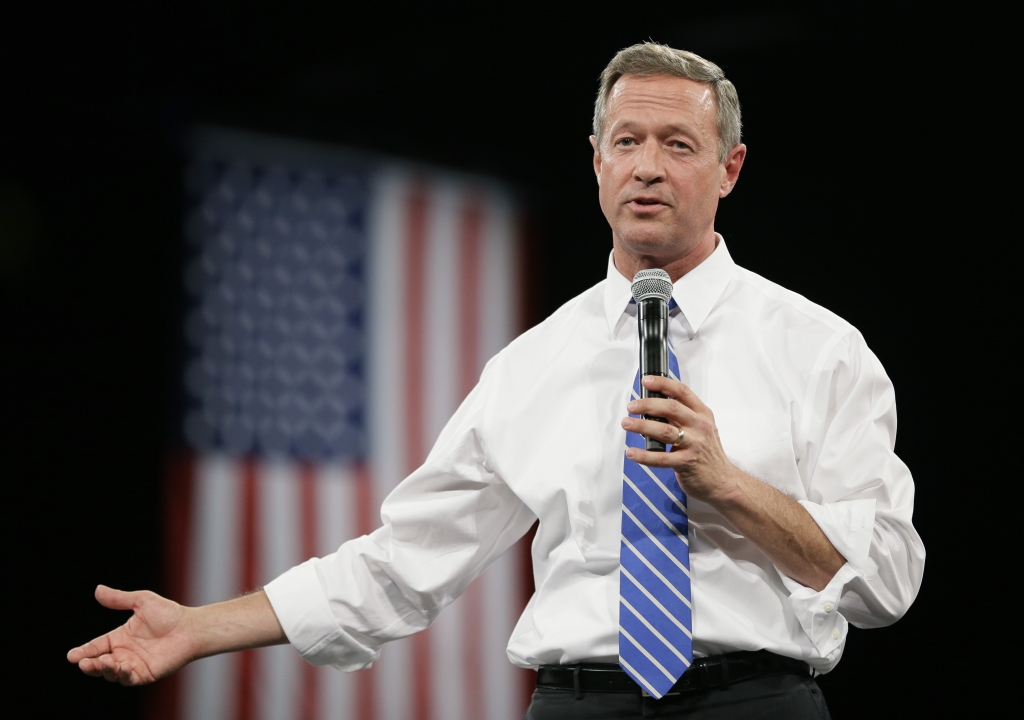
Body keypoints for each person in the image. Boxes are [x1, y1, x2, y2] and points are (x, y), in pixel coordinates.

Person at [68, 43, 925, 718]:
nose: (648, 167)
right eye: (626, 142)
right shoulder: (531, 366)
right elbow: (401, 565)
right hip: (578, 705)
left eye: (678, 145)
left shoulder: (821, 349)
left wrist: (729, 487)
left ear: (730, 168)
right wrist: (198, 627)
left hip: (756, 703)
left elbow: (887, 576)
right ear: (596, 161)